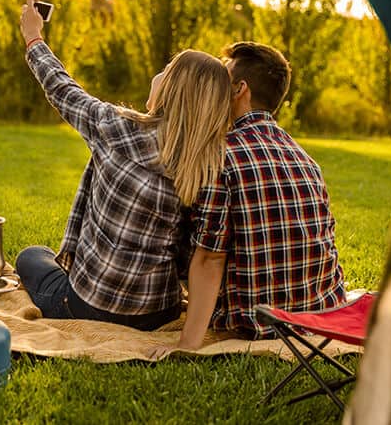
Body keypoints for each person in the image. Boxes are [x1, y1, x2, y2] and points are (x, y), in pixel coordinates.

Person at [14, 0, 232, 331]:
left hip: (90, 305)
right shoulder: (208, 165)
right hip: (160, 313)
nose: (157, 76)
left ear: (171, 89)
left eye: (165, 72)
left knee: (32, 256)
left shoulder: (115, 128)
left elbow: (60, 87)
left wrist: (33, 37)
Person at [148, 41, 346, 356]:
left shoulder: (221, 157)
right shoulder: (307, 159)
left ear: (240, 90)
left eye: (222, 83)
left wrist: (188, 345)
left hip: (256, 323)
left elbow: (210, 259)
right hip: (317, 313)